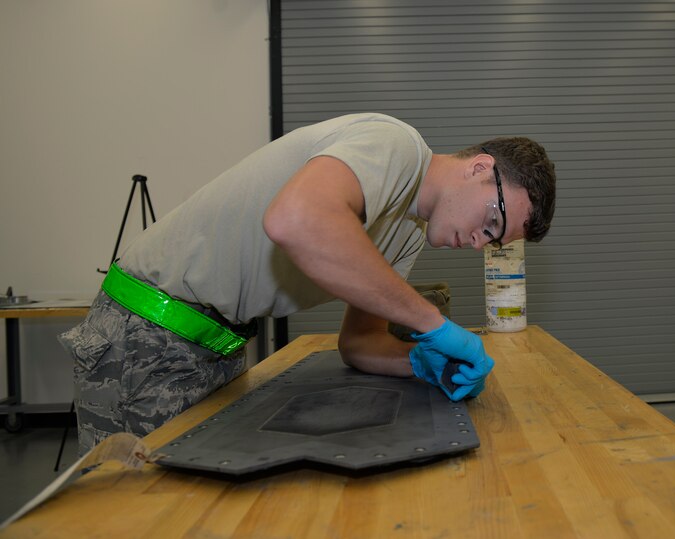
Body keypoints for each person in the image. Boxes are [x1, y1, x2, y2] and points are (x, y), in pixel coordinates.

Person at [60, 112, 556, 455]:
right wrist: (433, 324)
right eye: (491, 221)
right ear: (480, 167)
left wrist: (423, 362)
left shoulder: (407, 233)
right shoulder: (395, 144)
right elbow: (295, 219)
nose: (479, 242)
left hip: (215, 346)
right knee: (131, 509)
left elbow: (359, 344)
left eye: (493, 241)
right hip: (146, 331)